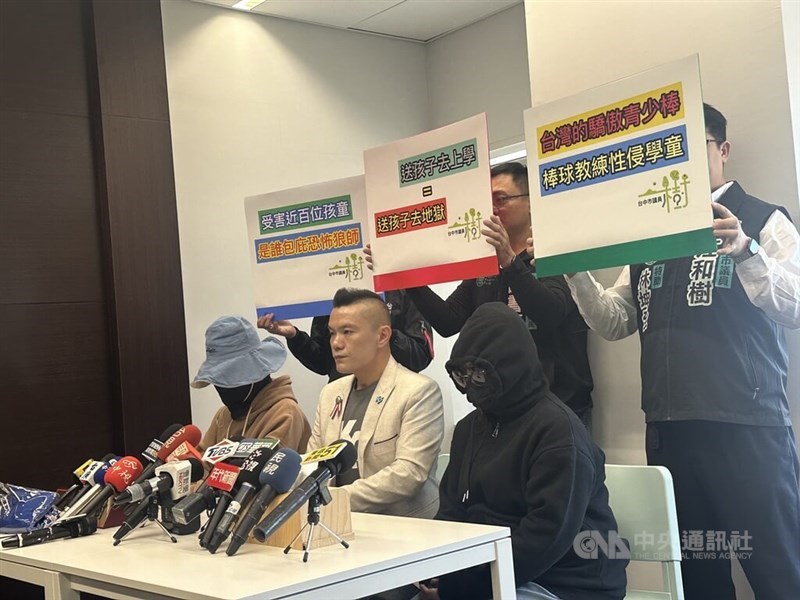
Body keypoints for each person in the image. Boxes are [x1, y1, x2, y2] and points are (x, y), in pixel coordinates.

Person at [565, 103, 800, 598]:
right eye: (673, 151)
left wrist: (747, 252)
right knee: (698, 572)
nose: (684, 161)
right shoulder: (652, 236)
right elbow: (615, 320)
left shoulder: (763, 220)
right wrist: (574, 269)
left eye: (697, 147)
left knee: (779, 569)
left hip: (747, 426)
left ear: (724, 151)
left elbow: (796, 305)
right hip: (670, 430)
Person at [420, 303, 626, 600]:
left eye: (480, 373)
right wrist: (435, 570)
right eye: (463, 376)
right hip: (494, 575)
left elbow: (545, 539)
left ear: (511, 365)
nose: (471, 387)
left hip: (567, 582)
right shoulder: (468, 430)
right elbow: (452, 514)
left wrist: (462, 589)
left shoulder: (558, 432)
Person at [396, 162, 594, 428]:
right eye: (487, 201)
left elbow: (551, 314)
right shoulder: (486, 265)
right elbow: (447, 321)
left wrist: (511, 263)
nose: (493, 208)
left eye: (501, 199)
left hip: (559, 408)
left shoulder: (554, 254)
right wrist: (408, 278)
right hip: (499, 407)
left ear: (531, 202)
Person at [307, 288, 444, 518]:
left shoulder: (418, 391)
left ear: (382, 336)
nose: (336, 343)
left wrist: (329, 499)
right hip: (338, 525)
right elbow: (312, 462)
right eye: (332, 333)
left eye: (348, 332)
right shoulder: (331, 393)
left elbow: (408, 475)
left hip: (403, 530)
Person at [191, 315, 312, 454]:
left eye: (229, 377)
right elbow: (201, 460)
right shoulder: (224, 415)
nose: (221, 387)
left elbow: (263, 471)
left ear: (255, 371)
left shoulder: (285, 413)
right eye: (218, 379)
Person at [257, 289, 434, 381]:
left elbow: (419, 355)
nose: (338, 343)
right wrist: (295, 336)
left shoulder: (401, 289)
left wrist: (377, 332)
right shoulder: (332, 293)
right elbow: (323, 361)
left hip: (395, 394)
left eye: (347, 332)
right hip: (343, 399)